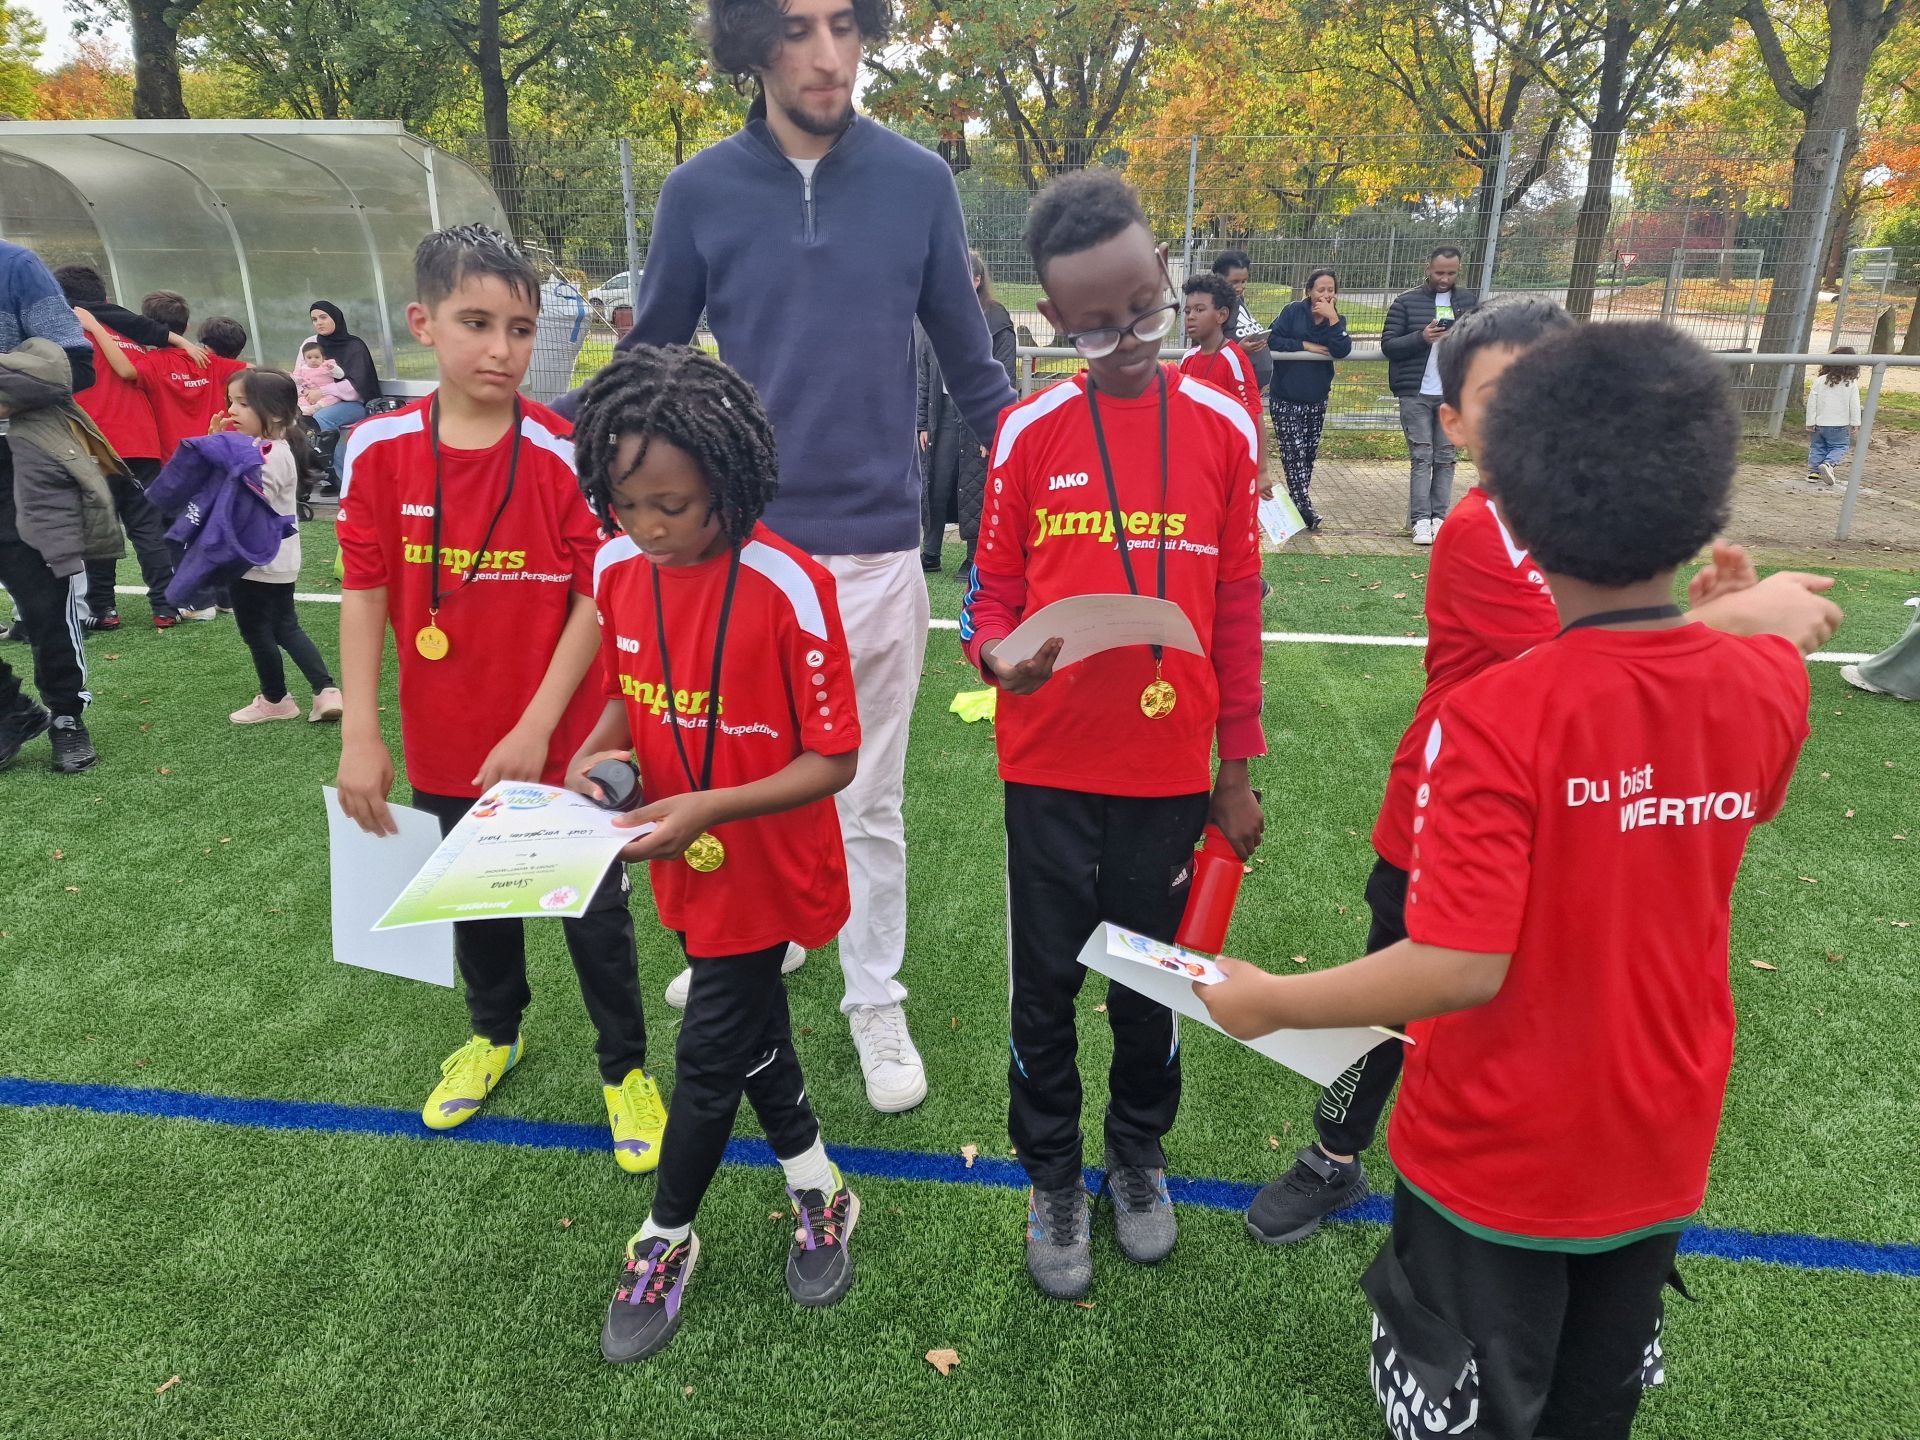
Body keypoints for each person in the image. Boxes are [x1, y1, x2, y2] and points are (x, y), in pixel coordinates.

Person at [1199, 321, 1816, 1437]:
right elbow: (1727, 775)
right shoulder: (1768, 678)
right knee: (1593, 1409)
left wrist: (1269, 1000)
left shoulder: (1495, 718)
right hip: (1659, 1138)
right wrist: (1727, 624)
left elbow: (1461, 964)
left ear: (1514, 512)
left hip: (1496, 1156)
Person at [570, 0, 1022, 1113]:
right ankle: (757, 944)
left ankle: (874, 996)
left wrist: (1062, 478)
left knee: (864, 798)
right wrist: (547, 456)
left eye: (844, 25)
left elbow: (977, 371)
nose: (827, 55)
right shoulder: (699, 191)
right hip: (736, 560)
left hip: (875, 553)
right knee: (731, 779)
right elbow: (649, 357)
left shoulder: (919, 181)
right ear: (751, 46)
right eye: (796, 29)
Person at [960, 170, 1266, 1300]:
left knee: (1152, 983)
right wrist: (996, 657)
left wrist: (1236, 770)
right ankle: (1053, 1173)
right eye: (1096, 329)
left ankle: (1137, 1153)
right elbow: (988, 592)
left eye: (1146, 312)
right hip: (1048, 763)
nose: (1130, 342)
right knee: (1044, 985)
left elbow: (1237, 611)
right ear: (1052, 321)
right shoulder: (1028, 431)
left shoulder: (1223, 427)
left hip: (1168, 771)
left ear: (1169, 279)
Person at [333, 225, 662, 1170]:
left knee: (592, 914)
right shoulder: (377, 450)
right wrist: (362, 734)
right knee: (476, 900)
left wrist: (536, 727)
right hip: (446, 735)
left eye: (520, 329)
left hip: (564, 741)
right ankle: (494, 1033)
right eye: (476, 323)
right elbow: (364, 594)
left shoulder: (564, 452)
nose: (502, 350)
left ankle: (624, 1069)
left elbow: (598, 596)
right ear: (422, 323)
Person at [570, 345, 863, 1364]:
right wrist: (597, 756)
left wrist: (710, 806)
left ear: (730, 485)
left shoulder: (791, 584)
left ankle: (665, 1239)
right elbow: (628, 693)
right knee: (749, 1034)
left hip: (767, 861)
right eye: (626, 505)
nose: (647, 528)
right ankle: (821, 1189)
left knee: (704, 1062)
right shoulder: (616, 569)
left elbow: (834, 758)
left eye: (674, 506)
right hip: (678, 851)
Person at [0, 240, 104, 774]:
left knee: (44, 602)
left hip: (21, 465)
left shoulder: (15, 267)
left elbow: (77, 365)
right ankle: (10, 710)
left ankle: (66, 716)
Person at [210, 369, 342, 725]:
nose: (232, 410)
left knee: (256, 632)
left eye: (243, 403)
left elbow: (246, 502)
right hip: (278, 559)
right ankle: (326, 690)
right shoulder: (271, 448)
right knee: (285, 627)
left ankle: (275, 699)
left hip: (253, 561)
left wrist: (217, 460)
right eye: (231, 401)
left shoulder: (268, 455)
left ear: (276, 414)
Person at [64, 296, 179, 632]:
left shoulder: (70, 334)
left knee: (100, 529)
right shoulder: (131, 335)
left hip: (95, 444)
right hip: (141, 443)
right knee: (148, 528)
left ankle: (104, 608)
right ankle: (165, 606)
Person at [917, 250, 1017, 574]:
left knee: (975, 485)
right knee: (936, 482)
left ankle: (974, 555)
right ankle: (930, 551)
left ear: (977, 280)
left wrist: (993, 427)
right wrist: (922, 422)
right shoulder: (937, 314)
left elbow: (1006, 376)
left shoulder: (997, 320)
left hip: (977, 412)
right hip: (941, 411)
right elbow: (923, 372)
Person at [1381, 247, 1478, 544]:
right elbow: (1389, 345)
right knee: (1422, 456)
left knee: (1446, 457)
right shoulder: (1406, 302)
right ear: (1428, 269)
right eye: (1439, 273)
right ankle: (1420, 521)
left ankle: (1440, 519)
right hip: (1415, 393)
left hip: (1451, 393)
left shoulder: (1468, 302)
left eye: (1451, 273)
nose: (1445, 279)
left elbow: (1480, 343)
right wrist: (1421, 338)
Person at [1267, 268, 1351, 531]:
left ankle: (1297, 508)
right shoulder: (1293, 312)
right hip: (1285, 397)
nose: (1325, 295)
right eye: (1320, 290)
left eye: (1330, 290)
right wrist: (1305, 346)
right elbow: (1272, 338)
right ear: (1309, 291)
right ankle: (1306, 508)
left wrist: (1332, 318)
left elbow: (1342, 349)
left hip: (1316, 398)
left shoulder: (1337, 320)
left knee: (1306, 458)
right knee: (1293, 454)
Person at [1178, 274, 1264, 444]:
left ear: (1222, 315)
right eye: (1187, 311)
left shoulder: (1233, 359)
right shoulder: (1188, 358)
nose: (1190, 316)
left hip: (1225, 452)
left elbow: (1254, 415)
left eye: (1199, 310)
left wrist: (1259, 462)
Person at [297, 301, 380, 434]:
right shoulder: (310, 343)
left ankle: (331, 449)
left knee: (321, 417)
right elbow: (299, 373)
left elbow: (356, 387)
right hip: (311, 399)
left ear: (335, 318)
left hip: (353, 403)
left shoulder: (354, 346)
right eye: (314, 319)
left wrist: (322, 392)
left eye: (323, 317)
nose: (319, 323)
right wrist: (305, 392)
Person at [1211, 250, 1272, 398]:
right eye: (1234, 282)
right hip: (1229, 392)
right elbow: (1205, 355)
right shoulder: (1213, 308)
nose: (1240, 287)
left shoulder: (1237, 300)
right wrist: (1239, 350)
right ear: (1219, 279)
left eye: (1244, 281)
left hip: (1250, 390)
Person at [1806, 347, 1861, 485]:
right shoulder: (1851, 383)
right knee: (1840, 446)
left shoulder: (1820, 380)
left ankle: (1813, 472)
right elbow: (1854, 404)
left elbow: (1812, 402)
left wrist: (1810, 421)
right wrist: (1856, 422)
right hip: (1839, 424)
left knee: (1817, 447)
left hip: (1819, 423)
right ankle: (1829, 464)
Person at [293, 340, 357, 418]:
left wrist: (333, 369)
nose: (313, 360)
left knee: (333, 398)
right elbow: (297, 380)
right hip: (309, 392)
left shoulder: (326, 366)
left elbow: (340, 375)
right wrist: (295, 380)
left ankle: (316, 407)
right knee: (301, 400)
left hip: (327, 393)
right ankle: (305, 410)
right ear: (304, 359)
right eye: (309, 358)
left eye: (317, 357)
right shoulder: (302, 369)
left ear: (323, 358)